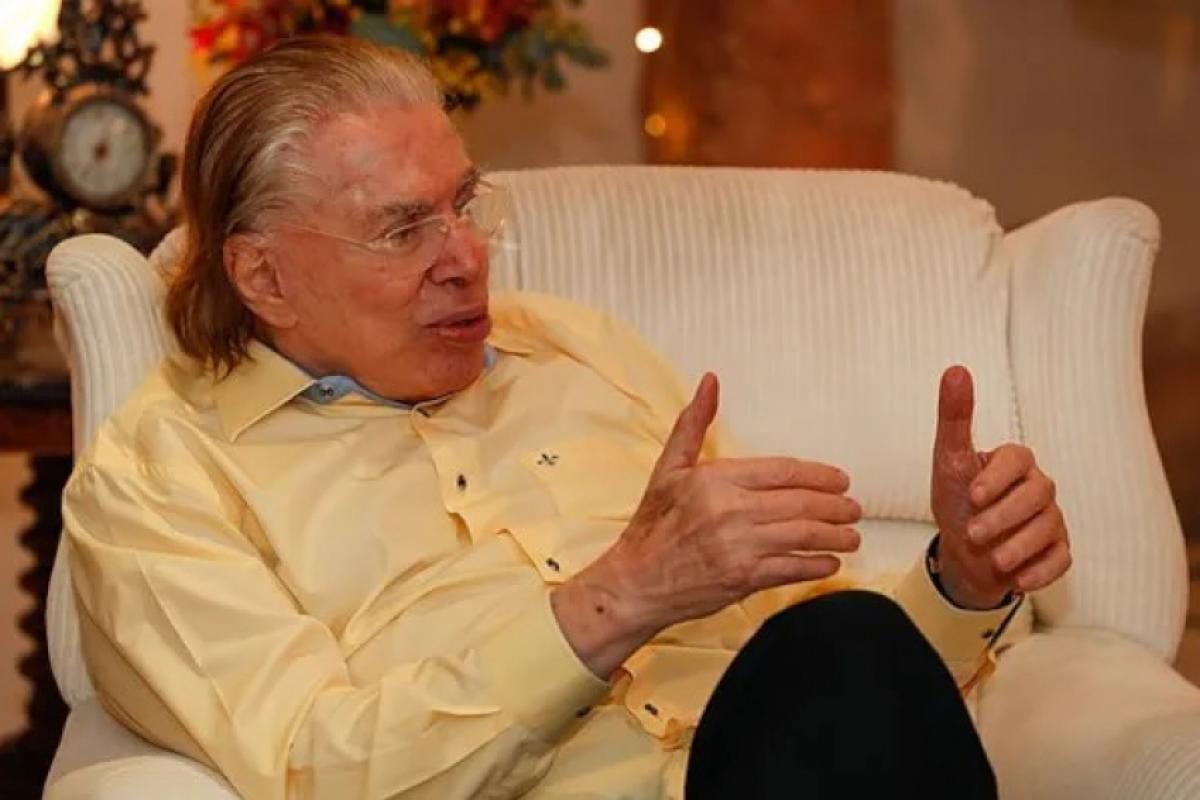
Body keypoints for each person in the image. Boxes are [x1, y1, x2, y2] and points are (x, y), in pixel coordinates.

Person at [62, 36, 1071, 800]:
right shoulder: (163, 471)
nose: (465, 256)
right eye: (404, 229)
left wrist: (963, 578)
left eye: (463, 205)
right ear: (264, 276)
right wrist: (619, 597)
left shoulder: (575, 352)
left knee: (846, 640)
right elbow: (306, 767)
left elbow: (848, 686)